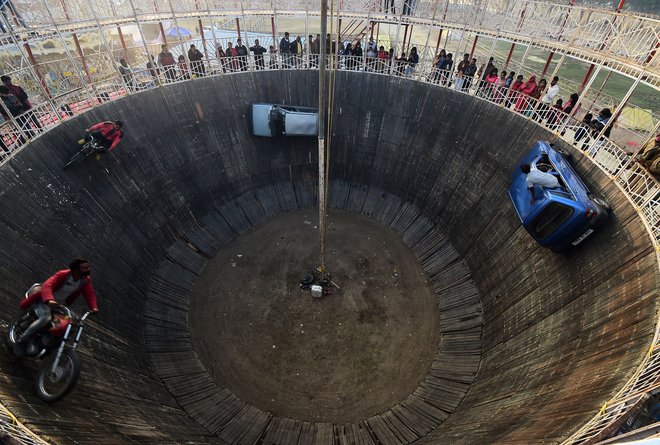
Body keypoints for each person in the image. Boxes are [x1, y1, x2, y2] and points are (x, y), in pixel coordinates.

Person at [13, 258, 100, 357]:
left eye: (88, 267)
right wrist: (49, 300)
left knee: (72, 322)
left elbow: (90, 294)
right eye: (85, 268)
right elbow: (47, 285)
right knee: (46, 318)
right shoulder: (63, 274)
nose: (88, 270)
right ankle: (22, 341)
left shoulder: (85, 281)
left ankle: (49, 343)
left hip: (58, 305)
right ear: (76, 269)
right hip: (45, 300)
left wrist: (94, 307)